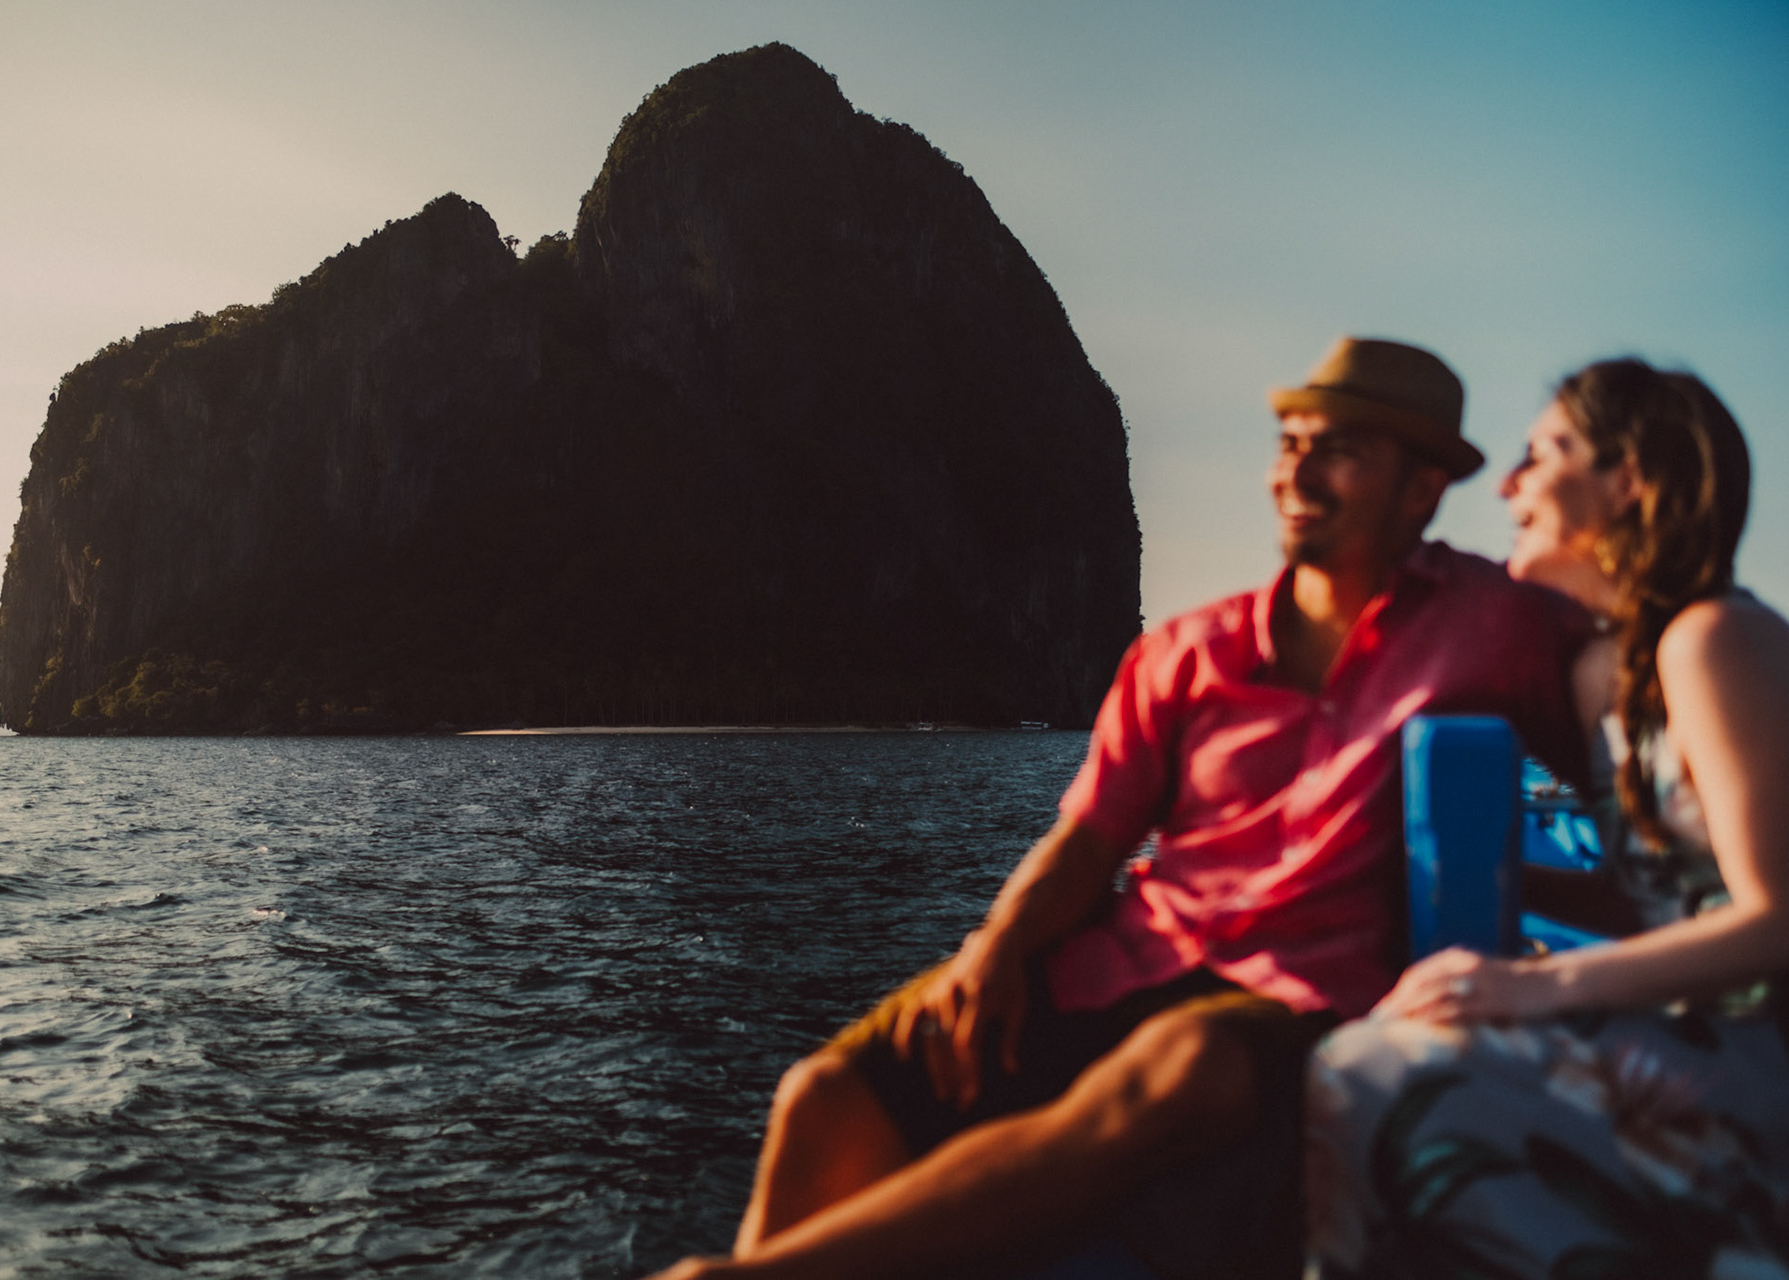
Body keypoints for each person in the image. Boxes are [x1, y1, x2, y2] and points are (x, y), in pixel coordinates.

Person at [646, 337, 1595, 1280]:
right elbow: (1091, 837)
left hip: (1304, 1001)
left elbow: (1639, 725)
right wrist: (997, 947)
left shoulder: (1495, 625)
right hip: (1131, 960)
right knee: (824, 1095)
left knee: (1187, 1067)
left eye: (1340, 450)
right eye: (1290, 443)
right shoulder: (1187, 651)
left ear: (1422, 488)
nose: (1298, 472)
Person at [1306, 359, 1789, 1279]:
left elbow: (1777, 918)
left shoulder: (1715, 640)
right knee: (1369, 1055)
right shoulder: (1606, 670)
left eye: (1542, 455)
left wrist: (1536, 986)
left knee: (1373, 1074)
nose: (1507, 485)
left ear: (1629, 479)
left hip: (1756, 1063)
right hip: (1685, 1038)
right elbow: (1665, 894)